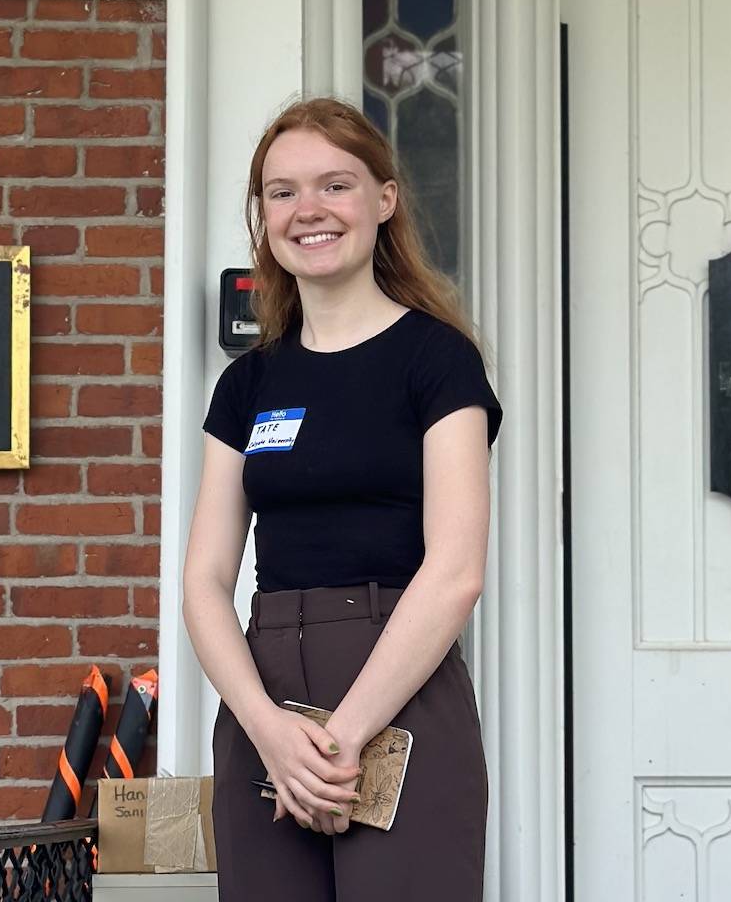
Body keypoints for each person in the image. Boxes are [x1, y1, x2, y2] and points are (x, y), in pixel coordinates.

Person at [182, 97, 501, 900]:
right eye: (282, 191)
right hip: (266, 706)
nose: (309, 210)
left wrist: (340, 739)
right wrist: (268, 729)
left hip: (399, 691)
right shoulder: (248, 384)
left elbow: (456, 571)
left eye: (335, 185)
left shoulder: (437, 361)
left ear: (384, 200)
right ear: (263, 216)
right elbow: (205, 582)